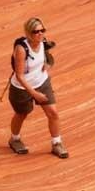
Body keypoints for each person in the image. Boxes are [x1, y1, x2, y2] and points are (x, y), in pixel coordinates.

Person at [7, 16, 67, 158]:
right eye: (36, 32)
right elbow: (20, 76)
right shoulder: (21, 49)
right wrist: (35, 94)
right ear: (28, 33)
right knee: (22, 114)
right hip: (22, 88)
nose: (40, 34)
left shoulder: (42, 42)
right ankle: (14, 139)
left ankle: (57, 143)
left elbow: (49, 58)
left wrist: (48, 64)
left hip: (42, 82)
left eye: (42, 30)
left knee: (53, 113)